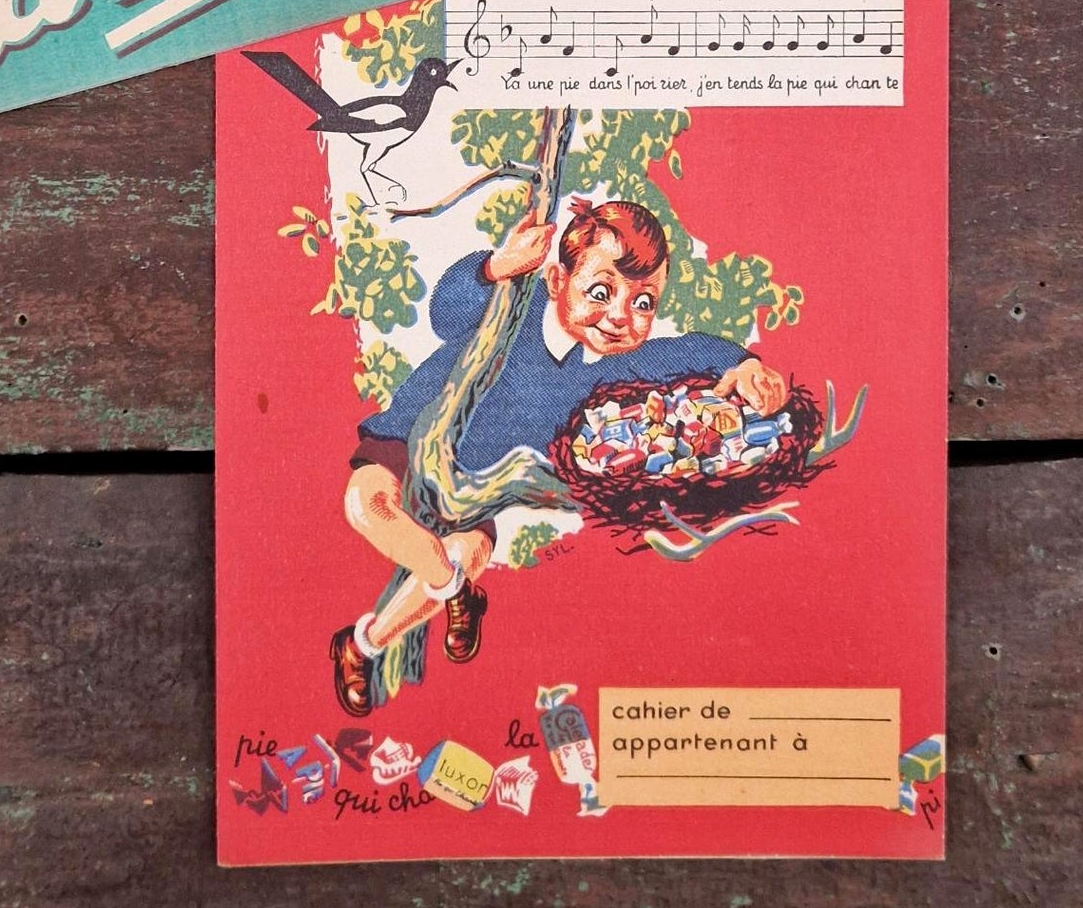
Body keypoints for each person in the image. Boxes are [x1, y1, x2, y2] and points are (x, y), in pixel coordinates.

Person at [331, 196, 789, 715]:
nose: (620, 317)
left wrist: (744, 363)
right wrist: (496, 267)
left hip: (479, 484)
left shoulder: (620, 368)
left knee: (468, 555)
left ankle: (361, 647)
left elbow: (691, 351)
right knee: (367, 505)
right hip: (412, 437)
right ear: (556, 281)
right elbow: (445, 312)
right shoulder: (513, 308)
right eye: (601, 292)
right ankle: (455, 592)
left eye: (643, 303)